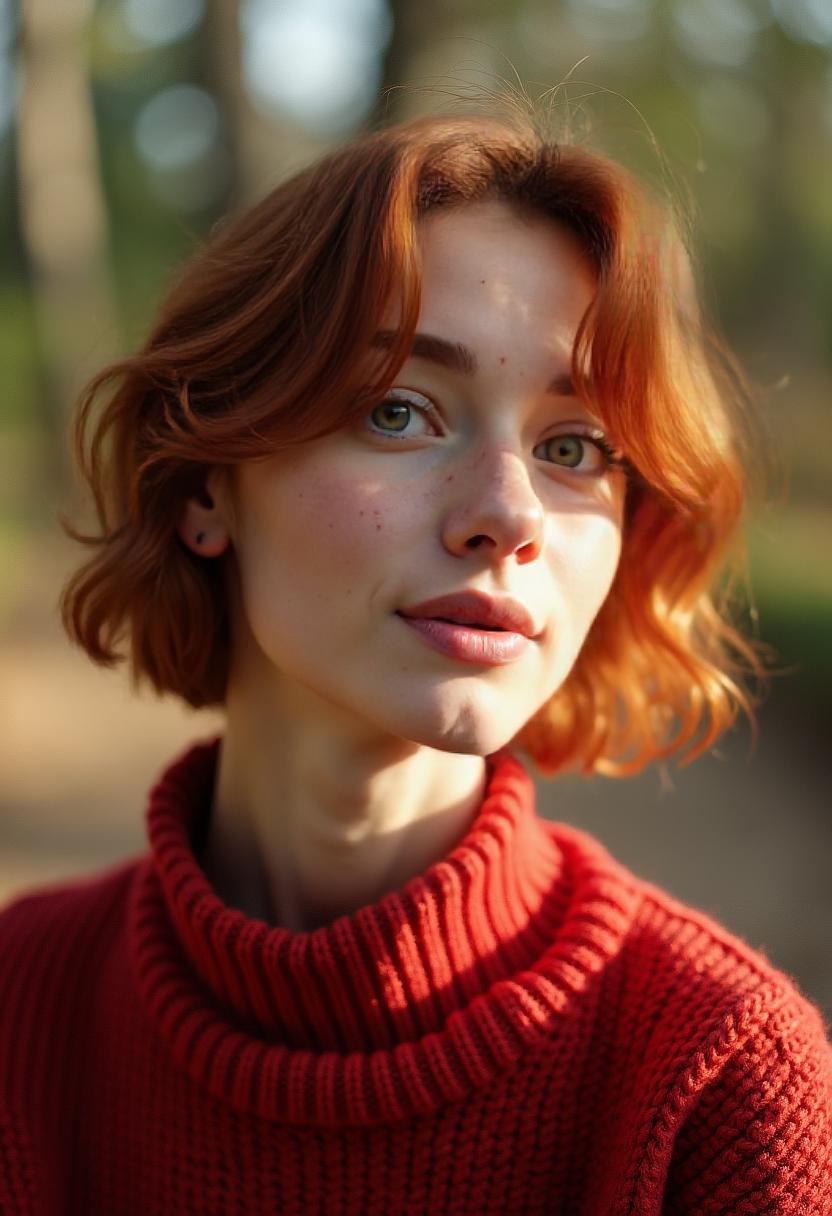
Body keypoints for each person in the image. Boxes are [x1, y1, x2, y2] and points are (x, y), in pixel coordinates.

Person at [1, 105, 830, 1215]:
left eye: (572, 446)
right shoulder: (18, 1007)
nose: (506, 513)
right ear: (206, 483)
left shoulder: (722, 1073)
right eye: (400, 410)